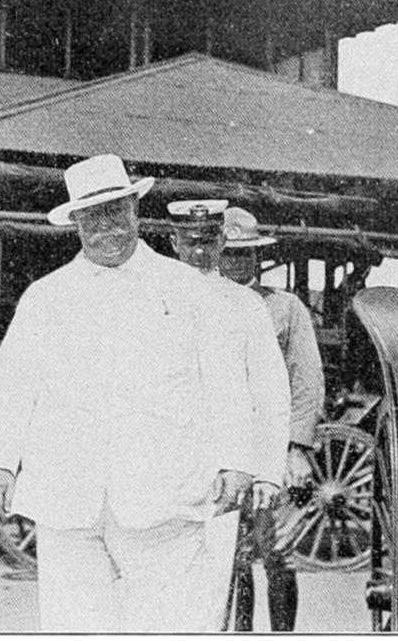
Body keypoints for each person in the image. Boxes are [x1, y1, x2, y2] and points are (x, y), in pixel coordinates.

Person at [0, 154, 257, 632]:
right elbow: (12, 384)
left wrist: (235, 459)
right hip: (68, 496)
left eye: (115, 211)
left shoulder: (188, 289)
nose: (105, 226)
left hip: (164, 495)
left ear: (135, 209)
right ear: (76, 222)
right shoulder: (47, 296)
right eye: (92, 216)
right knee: (75, 627)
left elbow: (226, 379)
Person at [167, 199, 293, 630]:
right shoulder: (149, 298)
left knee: (217, 591)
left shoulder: (246, 306)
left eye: (208, 240)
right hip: (160, 472)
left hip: (223, 475)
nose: (200, 251)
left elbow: (271, 393)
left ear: (221, 240)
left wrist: (267, 472)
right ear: (173, 242)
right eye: (190, 241)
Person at [218, 206, 325, 631]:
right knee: (233, 556)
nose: (235, 262)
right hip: (224, 452)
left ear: (258, 256)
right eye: (228, 253)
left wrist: (297, 449)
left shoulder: (285, 307)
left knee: (277, 552)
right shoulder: (205, 303)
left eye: (244, 253)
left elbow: (307, 379)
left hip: (272, 451)